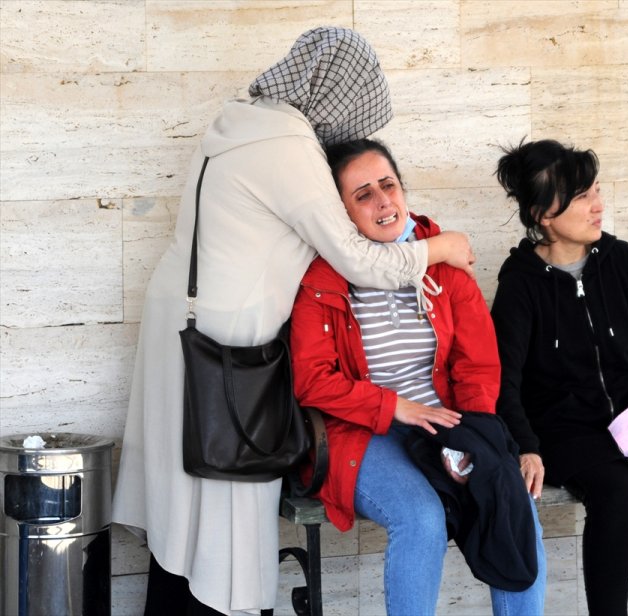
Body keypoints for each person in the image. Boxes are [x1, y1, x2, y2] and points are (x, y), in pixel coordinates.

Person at [111, 28, 475, 616]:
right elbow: (357, 260)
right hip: (228, 340)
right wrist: (440, 247)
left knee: (187, 502)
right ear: (337, 93)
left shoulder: (242, 121)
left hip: (184, 324)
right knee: (224, 503)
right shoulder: (288, 142)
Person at [290, 138, 546, 616]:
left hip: (445, 423)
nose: (382, 200)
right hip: (361, 432)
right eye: (362, 194)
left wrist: (471, 436)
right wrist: (394, 407)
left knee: (513, 502)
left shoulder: (443, 265)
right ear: (340, 213)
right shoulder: (322, 280)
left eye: (387, 185)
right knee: (421, 517)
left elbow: (477, 364)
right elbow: (312, 380)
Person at [490, 139, 628, 616]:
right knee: (616, 494)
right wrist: (526, 444)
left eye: (596, 191)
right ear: (543, 213)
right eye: (583, 196)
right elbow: (504, 376)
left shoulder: (621, 260)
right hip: (569, 431)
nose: (597, 205)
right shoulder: (521, 281)